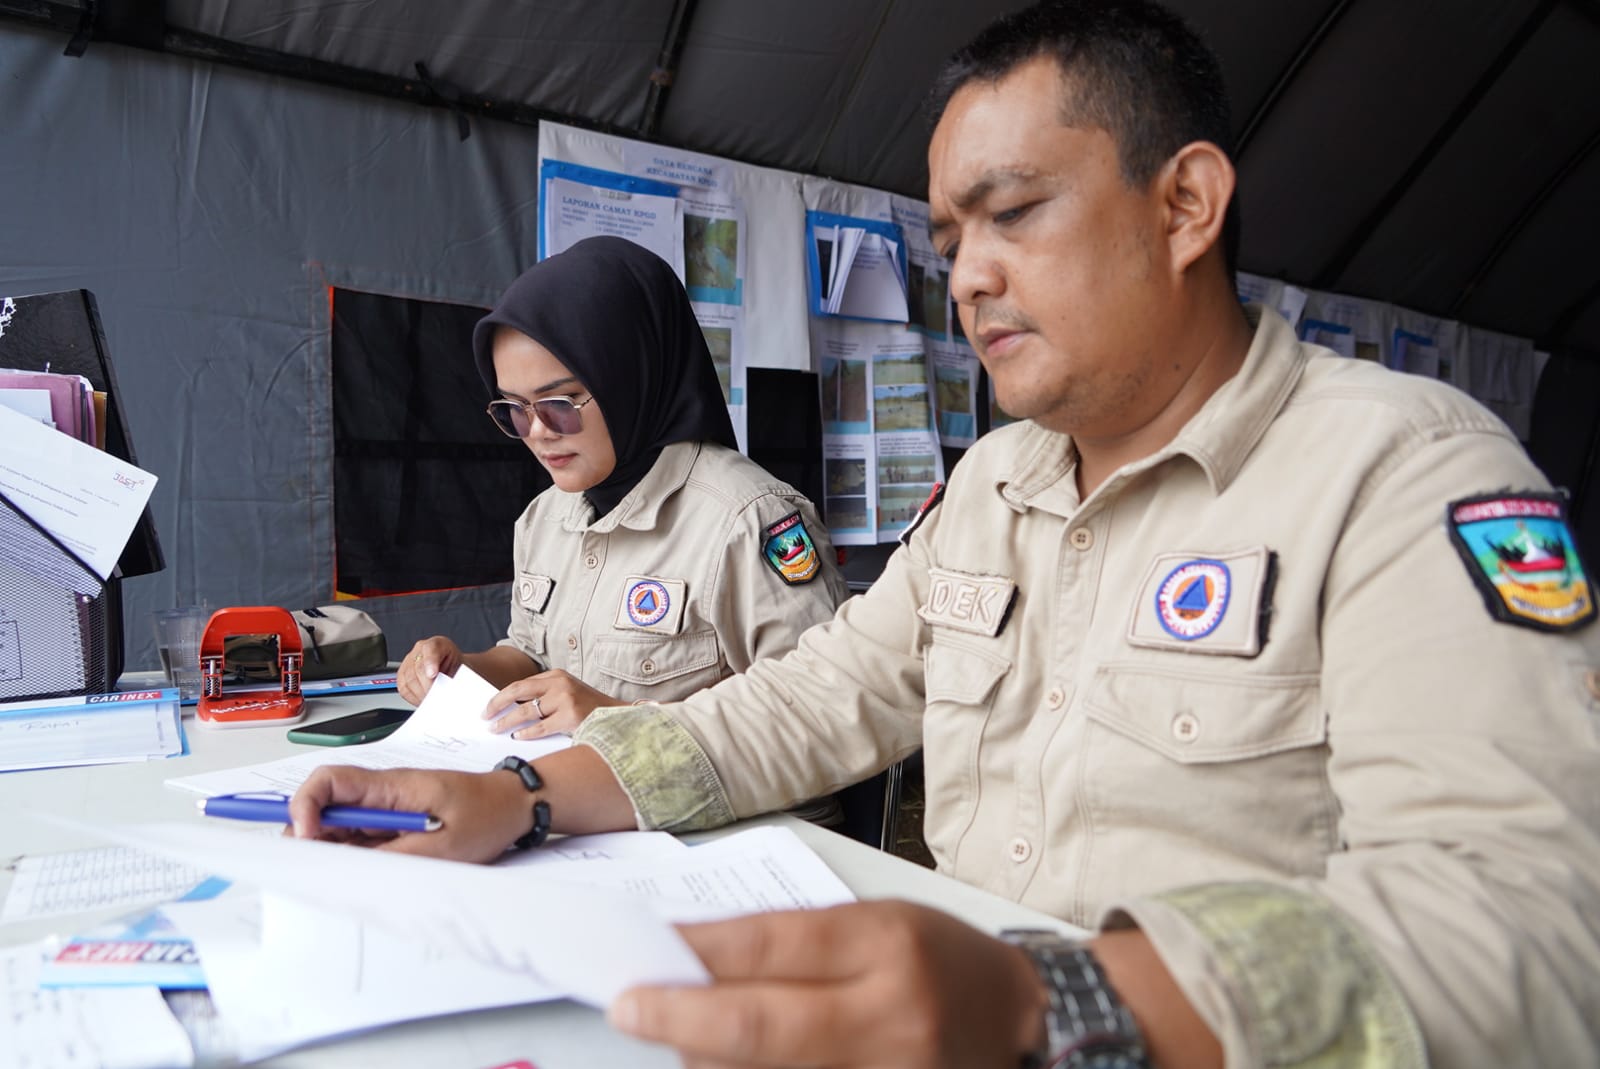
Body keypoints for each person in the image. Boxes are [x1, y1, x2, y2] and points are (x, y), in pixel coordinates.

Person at [294, 3, 1600, 1066]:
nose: (967, 273)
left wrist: (1068, 1006)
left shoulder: (1401, 473)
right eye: (949, 236)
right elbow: (820, 693)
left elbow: (1534, 925)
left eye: (1014, 212)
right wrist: (522, 796)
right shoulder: (994, 486)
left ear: (1186, 205)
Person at [396, 235, 847, 738]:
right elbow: (531, 658)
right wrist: (463, 672)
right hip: (577, 799)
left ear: (633, 377)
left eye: (560, 403)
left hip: (722, 814)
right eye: (514, 410)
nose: (539, 431)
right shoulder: (545, 518)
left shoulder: (748, 521)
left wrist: (619, 720)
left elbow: (823, 717)